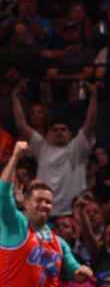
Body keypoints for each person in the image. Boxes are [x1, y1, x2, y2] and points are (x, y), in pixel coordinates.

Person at [0, 142, 92, 287]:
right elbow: (2, 195)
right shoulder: (16, 225)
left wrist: (81, 272)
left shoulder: (58, 242)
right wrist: (16, 156)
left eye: (49, 202)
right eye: (39, 200)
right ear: (26, 203)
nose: (45, 205)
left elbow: (73, 269)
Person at [12, 79, 98, 216]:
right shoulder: (42, 147)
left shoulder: (78, 147)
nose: (59, 132)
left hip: (72, 212)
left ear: (70, 134)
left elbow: (90, 123)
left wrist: (93, 97)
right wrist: (15, 97)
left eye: (63, 129)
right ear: (49, 133)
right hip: (44, 211)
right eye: (55, 129)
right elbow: (22, 125)